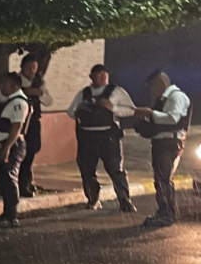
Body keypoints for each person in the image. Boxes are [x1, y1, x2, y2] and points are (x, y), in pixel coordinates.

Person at [67, 64, 137, 212]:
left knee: (116, 170)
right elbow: (71, 112)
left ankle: (125, 201)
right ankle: (93, 200)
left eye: (104, 74)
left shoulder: (116, 91)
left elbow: (131, 110)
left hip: (108, 137)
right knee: (87, 171)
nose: (102, 77)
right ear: (91, 77)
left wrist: (113, 108)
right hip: (87, 137)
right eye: (98, 75)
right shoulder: (84, 93)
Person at [133, 70, 192, 228]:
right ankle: (164, 212)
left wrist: (150, 113)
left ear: (161, 83)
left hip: (169, 144)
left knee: (163, 180)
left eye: (153, 86)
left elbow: (173, 118)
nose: (153, 90)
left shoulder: (176, 97)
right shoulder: (166, 99)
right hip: (163, 144)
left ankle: (167, 214)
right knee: (161, 179)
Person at [0, 73, 31, 228]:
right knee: (5, 179)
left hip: (12, 145)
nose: (2, 87)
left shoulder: (18, 102)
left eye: (5, 85)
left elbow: (17, 127)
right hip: (4, 145)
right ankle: (6, 213)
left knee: (10, 178)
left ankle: (11, 216)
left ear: (14, 86)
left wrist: (7, 147)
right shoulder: (9, 102)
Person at [17, 53, 52, 197]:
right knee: (20, 152)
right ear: (22, 67)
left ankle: (27, 180)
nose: (32, 71)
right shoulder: (16, 80)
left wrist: (39, 93)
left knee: (33, 148)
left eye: (34, 68)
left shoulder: (39, 82)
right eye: (29, 67)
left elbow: (49, 101)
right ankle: (22, 183)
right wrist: (25, 92)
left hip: (34, 121)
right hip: (19, 121)